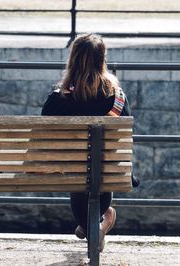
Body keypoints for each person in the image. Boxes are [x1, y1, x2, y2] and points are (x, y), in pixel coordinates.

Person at [41, 33, 132, 252]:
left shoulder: (57, 100)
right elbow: (123, 138)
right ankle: (99, 223)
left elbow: (41, 136)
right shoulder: (117, 98)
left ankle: (92, 226)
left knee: (79, 172)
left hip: (69, 169)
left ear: (72, 61)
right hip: (106, 172)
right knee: (96, 169)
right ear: (102, 61)